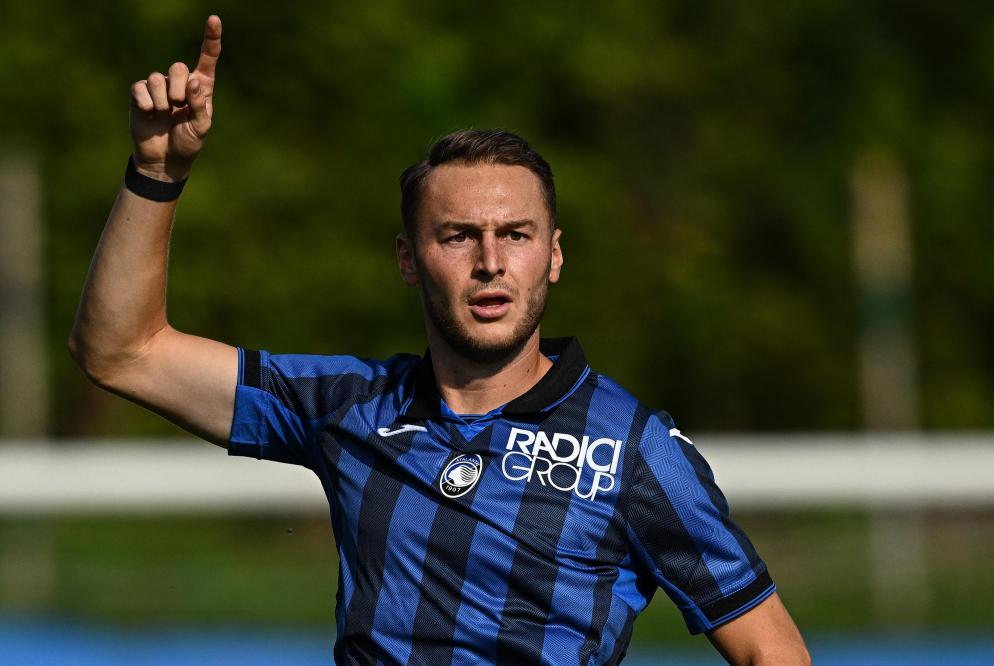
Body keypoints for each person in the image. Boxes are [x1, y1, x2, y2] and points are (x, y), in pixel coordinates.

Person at [69, 15, 811, 666]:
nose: (490, 262)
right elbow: (121, 352)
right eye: (457, 236)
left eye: (515, 235)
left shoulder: (633, 448)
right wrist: (156, 172)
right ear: (407, 258)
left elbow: (771, 647)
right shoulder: (351, 405)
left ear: (553, 255)